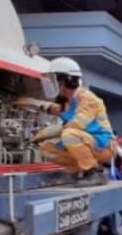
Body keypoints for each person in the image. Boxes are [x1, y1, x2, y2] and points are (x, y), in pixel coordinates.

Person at [22, 56, 114, 187]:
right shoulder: (69, 101)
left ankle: (95, 172)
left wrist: (48, 132)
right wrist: (31, 102)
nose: (52, 85)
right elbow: (55, 109)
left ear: (66, 80)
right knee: (47, 148)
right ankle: (78, 172)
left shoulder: (87, 98)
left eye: (54, 80)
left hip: (103, 144)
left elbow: (77, 124)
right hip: (86, 143)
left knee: (69, 135)